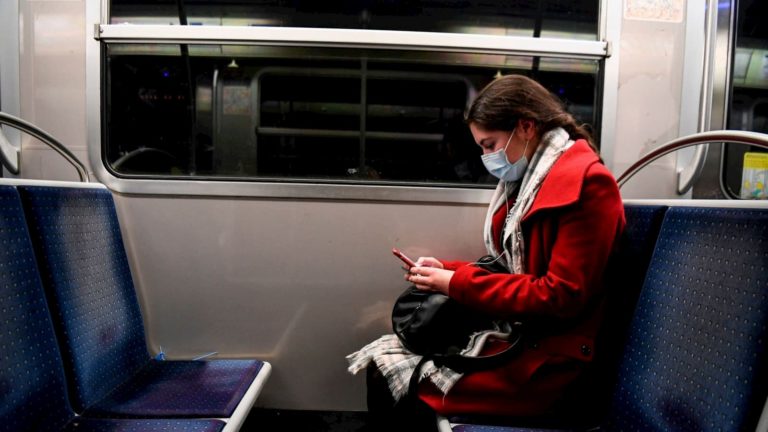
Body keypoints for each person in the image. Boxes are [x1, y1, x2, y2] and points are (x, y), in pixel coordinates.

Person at [347, 74, 625, 430]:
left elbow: (561, 295)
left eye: (489, 144)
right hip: (527, 335)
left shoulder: (588, 185)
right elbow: (511, 268)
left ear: (525, 126)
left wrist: (456, 282)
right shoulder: (529, 183)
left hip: (554, 359)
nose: (486, 157)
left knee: (395, 380)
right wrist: (445, 271)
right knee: (385, 364)